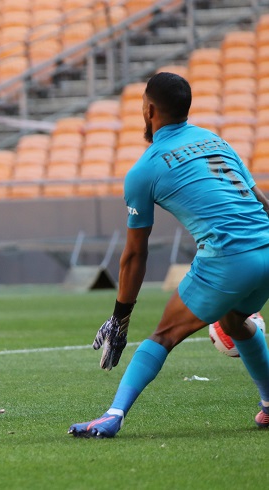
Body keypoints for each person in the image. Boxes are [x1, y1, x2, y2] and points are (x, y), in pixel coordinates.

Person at [69, 72, 269, 439]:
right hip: (267, 249)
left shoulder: (145, 169)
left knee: (162, 336)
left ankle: (113, 415)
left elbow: (134, 255)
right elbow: (261, 203)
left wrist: (120, 318)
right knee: (234, 321)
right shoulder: (217, 142)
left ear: (148, 110)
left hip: (227, 258)